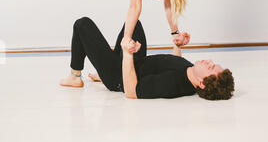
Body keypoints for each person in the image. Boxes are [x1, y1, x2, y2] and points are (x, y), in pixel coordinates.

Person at [60, 17, 234, 100]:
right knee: (134, 22)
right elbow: (173, 65)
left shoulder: (171, 85)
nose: (210, 62)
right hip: (135, 62)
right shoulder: (190, 73)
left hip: (118, 77)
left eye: (210, 68)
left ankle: (75, 76)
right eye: (213, 64)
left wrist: (127, 54)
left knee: (82, 24)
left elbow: (131, 92)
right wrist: (177, 46)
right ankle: (103, 69)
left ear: (202, 83)